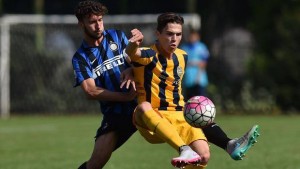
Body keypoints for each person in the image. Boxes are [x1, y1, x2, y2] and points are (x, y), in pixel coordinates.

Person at [125, 12, 210, 169]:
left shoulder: (183, 56)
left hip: (178, 115)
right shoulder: (148, 54)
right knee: (143, 107)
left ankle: (192, 153)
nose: (174, 39)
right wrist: (133, 44)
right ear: (158, 34)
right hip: (152, 118)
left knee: (204, 156)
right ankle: (184, 149)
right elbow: (131, 53)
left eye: (178, 34)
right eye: (169, 34)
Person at [72, 1, 138, 168]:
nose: (98, 26)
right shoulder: (80, 58)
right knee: (95, 164)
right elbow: (90, 91)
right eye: (92, 22)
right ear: (82, 24)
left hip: (142, 103)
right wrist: (124, 97)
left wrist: (132, 69)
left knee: (174, 132)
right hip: (115, 116)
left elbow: (137, 61)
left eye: (100, 20)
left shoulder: (117, 36)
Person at [181, 30, 260, 161]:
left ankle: (229, 144)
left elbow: (203, 63)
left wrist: (198, 74)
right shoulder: (182, 49)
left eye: (178, 34)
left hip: (198, 81)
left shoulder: (200, 47)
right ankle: (228, 144)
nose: (174, 38)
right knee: (193, 117)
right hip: (185, 83)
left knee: (198, 115)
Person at [181, 29, 209, 98]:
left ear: (198, 37)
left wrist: (198, 75)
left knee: (201, 99)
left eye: (194, 37)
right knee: (189, 99)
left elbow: (204, 62)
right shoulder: (184, 48)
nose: (192, 39)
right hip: (189, 78)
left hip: (199, 78)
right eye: (191, 37)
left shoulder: (202, 47)